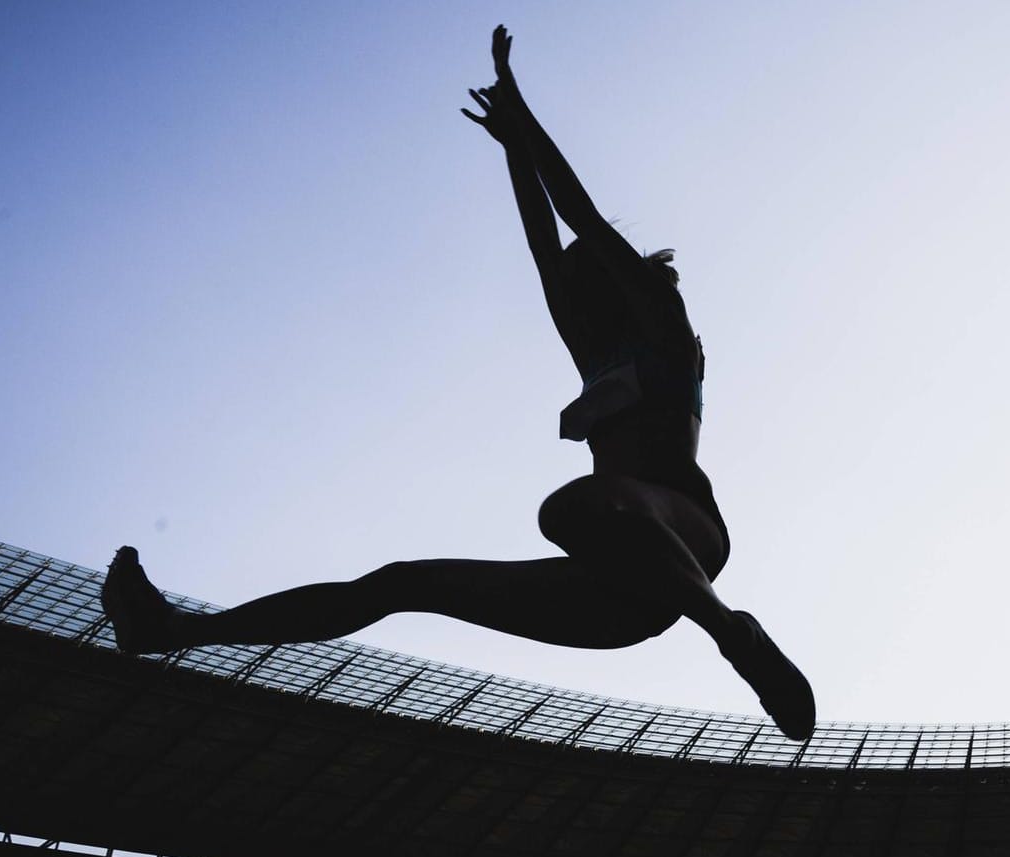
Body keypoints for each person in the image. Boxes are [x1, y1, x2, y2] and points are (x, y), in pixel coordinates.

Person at [100, 26, 814, 741]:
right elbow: (544, 244)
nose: (570, 292)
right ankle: (172, 629)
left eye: (586, 276)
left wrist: (522, 113)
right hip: (618, 591)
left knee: (578, 505)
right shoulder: (592, 349)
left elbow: (579, 218)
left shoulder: (667, 327)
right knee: (403, 582)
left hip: (684, 536)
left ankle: (735, 635)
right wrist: (510, 149)